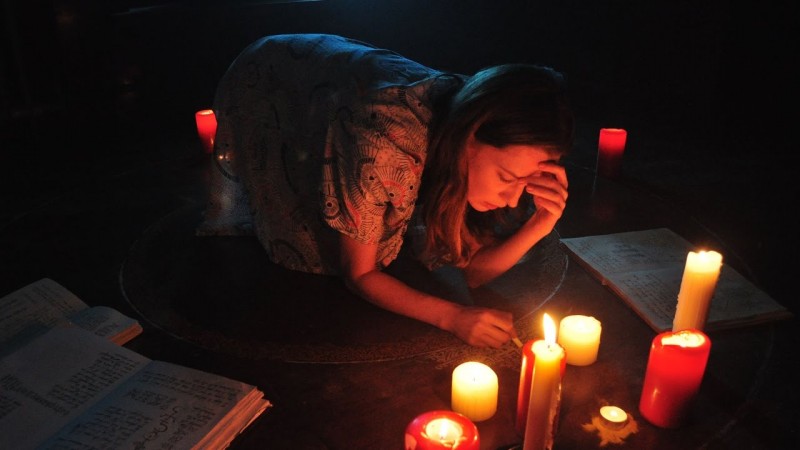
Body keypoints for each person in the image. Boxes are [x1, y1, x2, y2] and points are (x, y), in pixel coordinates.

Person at [198, 34, 574, 348]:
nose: (512, 199)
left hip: (350, 87)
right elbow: (359, 274)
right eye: (507, 177)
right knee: (304, 222)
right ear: (468, 136)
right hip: (276, 75)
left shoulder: (479, 128)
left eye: (524, 184)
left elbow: (471, 271)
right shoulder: (382, 141)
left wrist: (539, 225)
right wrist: (453, 317)